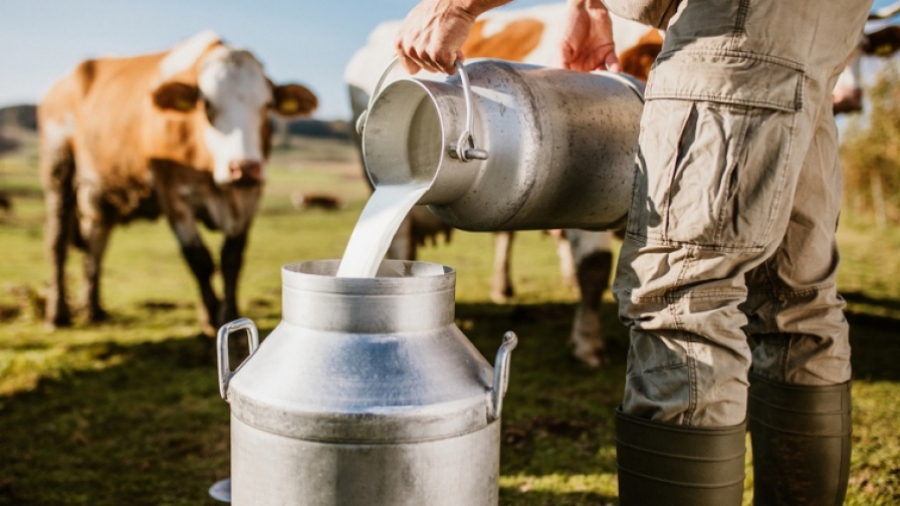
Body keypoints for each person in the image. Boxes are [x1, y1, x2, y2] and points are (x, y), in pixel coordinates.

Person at [395, 0, 872, 504]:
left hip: (728, 22)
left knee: (683, 300)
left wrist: (455, 6)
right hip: (818, 24)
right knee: (792, 299)